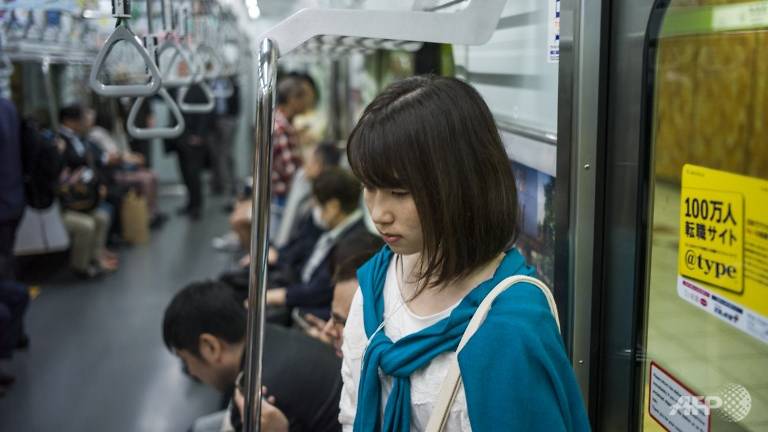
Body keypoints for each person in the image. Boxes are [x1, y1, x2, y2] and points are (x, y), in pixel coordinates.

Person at [339, 76, 590, 431]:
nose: (379, 213)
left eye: (398, 191)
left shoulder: (511, 326)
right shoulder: (378, 283)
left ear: (458, 184)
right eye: (369, 186)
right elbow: (352, 410)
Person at [162, 280, 342, 432]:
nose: (191, 372)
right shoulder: (268, 334)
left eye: (186, 360)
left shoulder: (256, 400)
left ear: (211, 347)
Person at [265, 168, 368, 322]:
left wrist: (276, 296)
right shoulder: (331, 229)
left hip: (308, 308)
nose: (315, 210)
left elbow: (319, 291)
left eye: (317, 204)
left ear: (333, 207)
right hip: (294, 285)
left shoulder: (355, 244)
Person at [57, 105, 118, 276]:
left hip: (84, 195)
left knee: (102, 217)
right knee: (87, 225)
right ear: (70, 121)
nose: (87, 122)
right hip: (68, 200)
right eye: (83, 118)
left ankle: (96, 258)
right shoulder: (60, 142)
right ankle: (81, 267)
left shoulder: (80, 139)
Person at [270, 73, 317, 238]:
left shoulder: (283, 123)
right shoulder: (282, 128)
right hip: (284, 196)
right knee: (281, 240)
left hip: (280, 193)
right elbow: (291, 171)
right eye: (304, 97)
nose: (307, 103)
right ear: (292, 100)